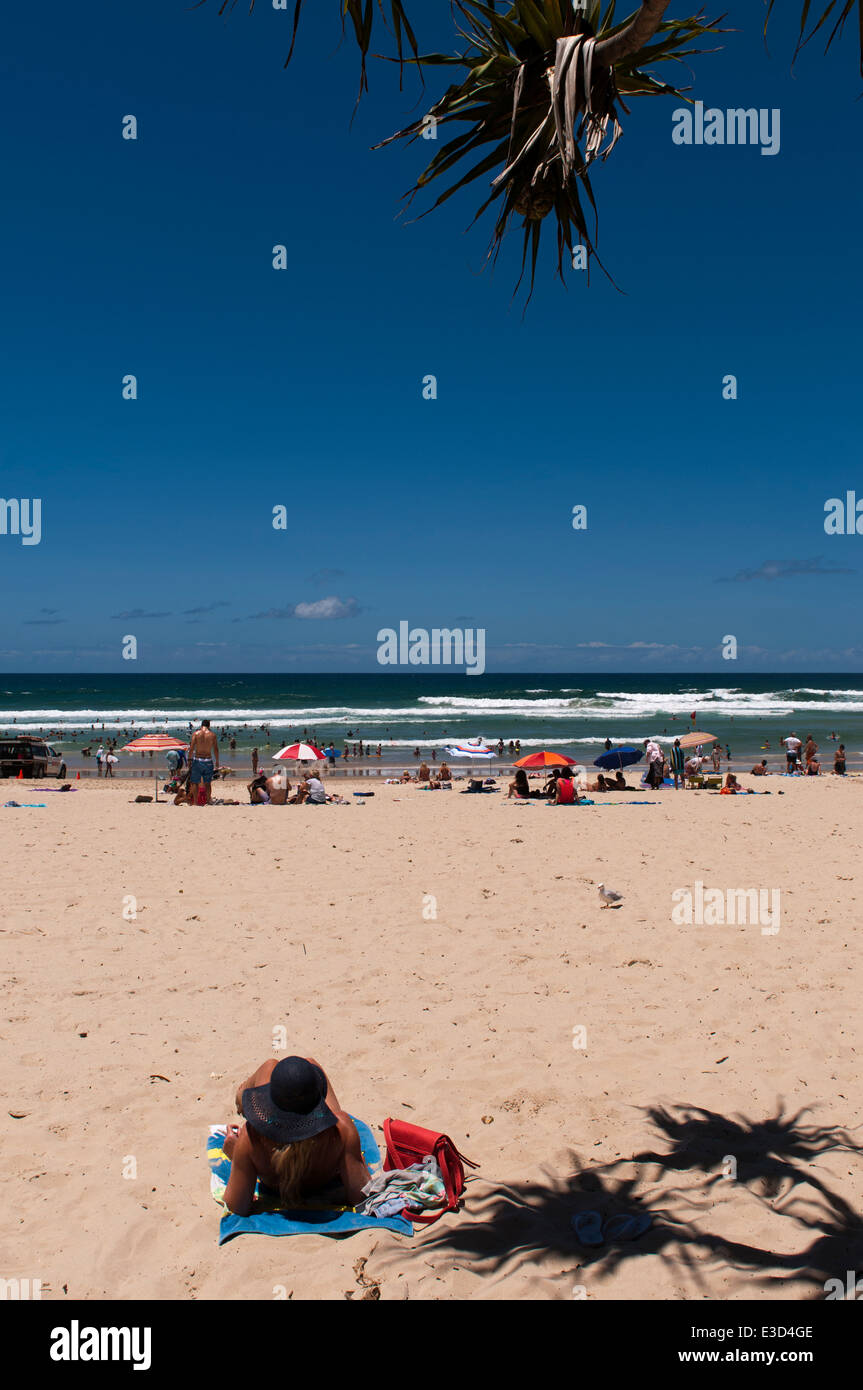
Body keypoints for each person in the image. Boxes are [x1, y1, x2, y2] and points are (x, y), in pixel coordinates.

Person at [222, 1056, 371, 1216]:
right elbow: (361, 1196)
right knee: (310, 1065)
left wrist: (237, 1155)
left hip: (274, 1184)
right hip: (322, 1167)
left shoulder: (252, 1138)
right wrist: (353, 1155)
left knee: (270, 1065)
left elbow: (236, 1207)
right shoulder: (341, 1132)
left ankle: (241, 1096)